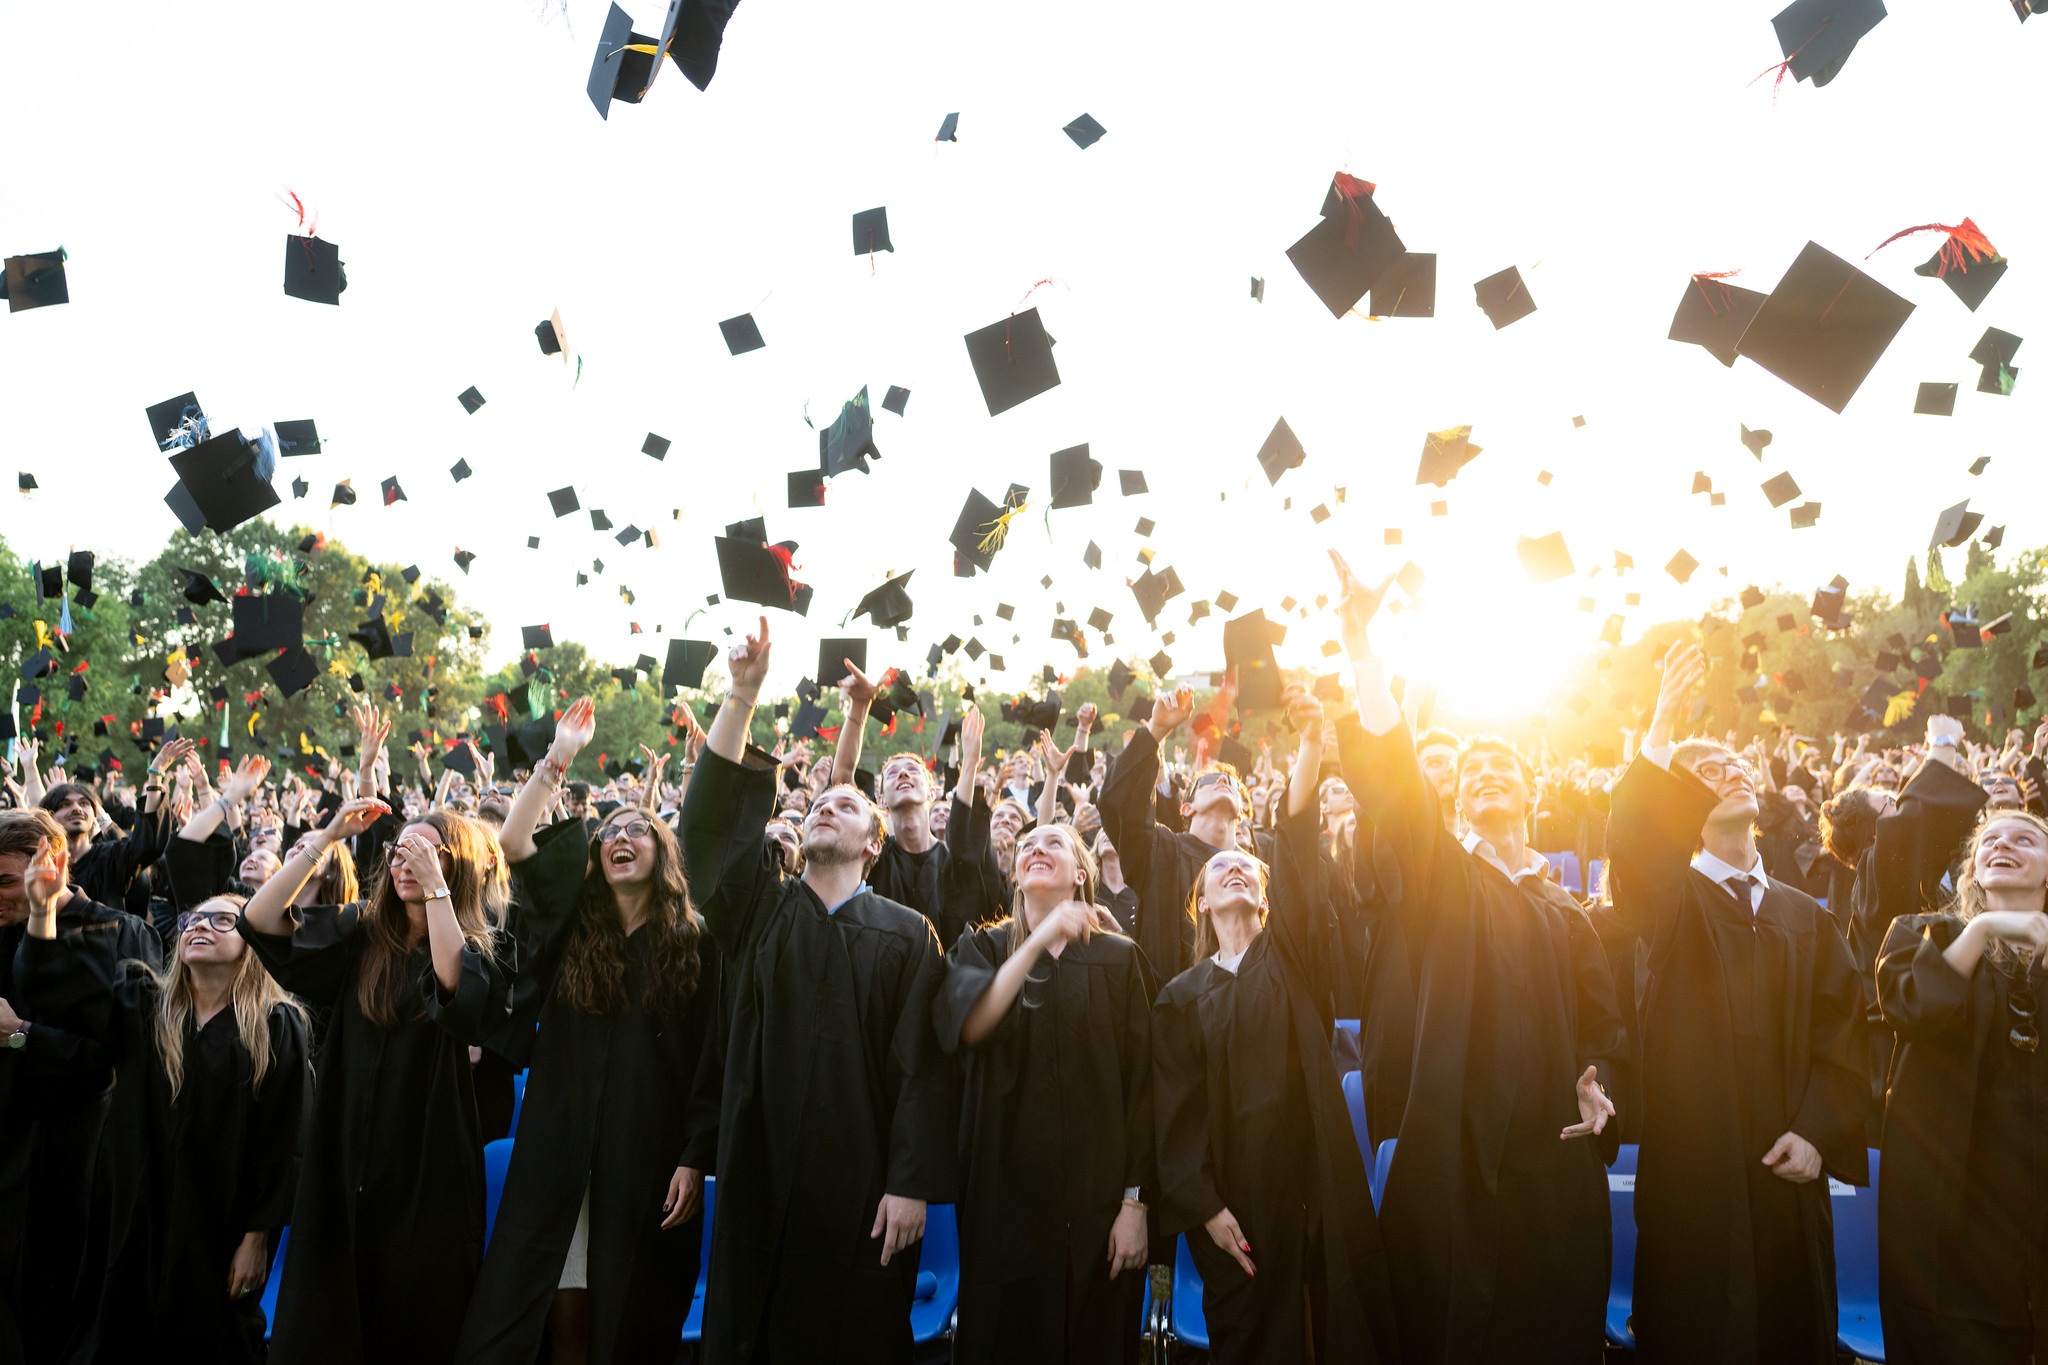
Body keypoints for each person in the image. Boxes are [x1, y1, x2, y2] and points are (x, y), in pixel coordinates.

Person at [1328, 550, 1624, 1363]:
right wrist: (1363, 649)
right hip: (1452, 1149)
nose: (1488, 774)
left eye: (1505, 767)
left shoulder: (1566, 905)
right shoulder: (1443, 878)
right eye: (1474, 770)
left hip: (1551, 1155)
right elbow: (1394, 780)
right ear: (1458, 799)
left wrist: (1601, 1087)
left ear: (1528, 796)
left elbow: (1606, 1029)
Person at [681, 618, 958, 1364]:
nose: (824, 808)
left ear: (875, 842)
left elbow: (921, 1072)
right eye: (817, 806)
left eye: (844, 806)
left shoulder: (906, 935)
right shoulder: (759, 910)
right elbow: (706, 833)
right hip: (760, 1181)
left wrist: (909, 1182)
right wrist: (740, 697)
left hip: (862, 1189)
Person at [1605, 642, 1870, 1364]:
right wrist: (1661, 728)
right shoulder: (1669, 902)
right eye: (1705, 771)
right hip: (1696, 1175)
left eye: (1733, 764)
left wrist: (1817, 1133)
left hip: (1790, 1178)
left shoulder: (1804, 913)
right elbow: (1633, 850)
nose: (1727, 772)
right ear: (1680, 805)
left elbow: (1843, 1032)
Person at [456, 697, 723, 1365]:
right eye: (609, 831)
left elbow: (709, 1059)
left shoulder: (694, 942)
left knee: (631, 1312)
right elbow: (513, 845)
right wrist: (558, 757)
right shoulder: (571, 922)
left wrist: (695, 1154)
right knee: (563, 1311)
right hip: (562, 1142)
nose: (620, 837)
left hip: (648, 1148)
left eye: (639, 828)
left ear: (663, 851)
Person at [1152, 682, 1399, 1364]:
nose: (1231, 870)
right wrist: (1205, 1209)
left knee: (1321, 1334)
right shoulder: (1179, 996)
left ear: (1265, 895)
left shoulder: (1290, 959)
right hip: (1231, 1211)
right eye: (1218, 870)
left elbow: (1293, 848)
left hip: (1309, 1198)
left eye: (1245, 868)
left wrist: (1312, 744)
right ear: (1198, 901)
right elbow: (1177, 1116)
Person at [237, 798, 510, 1365]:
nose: (405, 862)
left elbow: (458, 997)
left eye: (426, 852)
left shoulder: (480, 947)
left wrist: (437, 891)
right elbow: (260, 921)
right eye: (398, 851)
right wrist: (329, 833)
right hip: (342, 1151)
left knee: (412, 1320)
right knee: (325, 1319)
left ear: (456, 864)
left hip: (426, 1163)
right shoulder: (360, 932)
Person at [938, 818, 1154, 1364]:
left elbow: (1144, 1088)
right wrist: (1039, 937)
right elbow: (972, 1024)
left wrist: (1135, 1203)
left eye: (1053, 842)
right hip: (1003, 1201)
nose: (1036, 848)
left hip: (1100, 1207)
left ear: (1081, 875)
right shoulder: (982, 947)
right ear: (1013, 875)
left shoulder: (1119, 959)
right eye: (1027, 846)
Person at [77, 892, 311, 1364]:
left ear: (252, 941)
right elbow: (66, 1001)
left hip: (220, 1225)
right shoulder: (144, 1006)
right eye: (192, 919)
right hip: (140, 1217)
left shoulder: (276, 1026)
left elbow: (285, 1142)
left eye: (223, 920)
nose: (200, 926)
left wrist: (256, 1238)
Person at [1875, 809, 2048, 1363]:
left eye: (2026, 839)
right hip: (1950, 1210)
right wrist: (1984, 929)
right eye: (1990, 840)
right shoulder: (1922, 932)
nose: (2005, 845)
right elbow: (1918, 1010)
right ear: (1972, 867)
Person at [0, 809, 162, 1363]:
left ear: (54, 860)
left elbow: (118, 1058)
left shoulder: (122, 934)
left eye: (4, 880)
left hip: (82, 1156)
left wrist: (22, 1036)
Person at [829, 667, 1006, 947]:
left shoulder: (956, 862)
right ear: (881, 798)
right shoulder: (874, 857)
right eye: (893, 773)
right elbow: (842, 782)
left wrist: (969, 763)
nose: (903, 774)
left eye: (912, 769)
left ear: (932, 790)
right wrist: (859, 706)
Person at [1099, 685, 1251, 981]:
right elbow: (1119, 804)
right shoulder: (1160, 850)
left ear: (1241, 811)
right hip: (1169, 1014)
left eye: (1231, 783)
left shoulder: (1254, 873)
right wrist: (1156, 730)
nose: (1223, 782)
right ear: (1186, 808)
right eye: (1209, 779)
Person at [36, 735, 190, 909]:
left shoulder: (112, 858)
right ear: (50, 816)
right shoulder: (41, 863)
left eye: (84, 803)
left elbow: (147, 844)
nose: (77, 808)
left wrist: (156, 774)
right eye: (65, 804)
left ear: (94, 815)